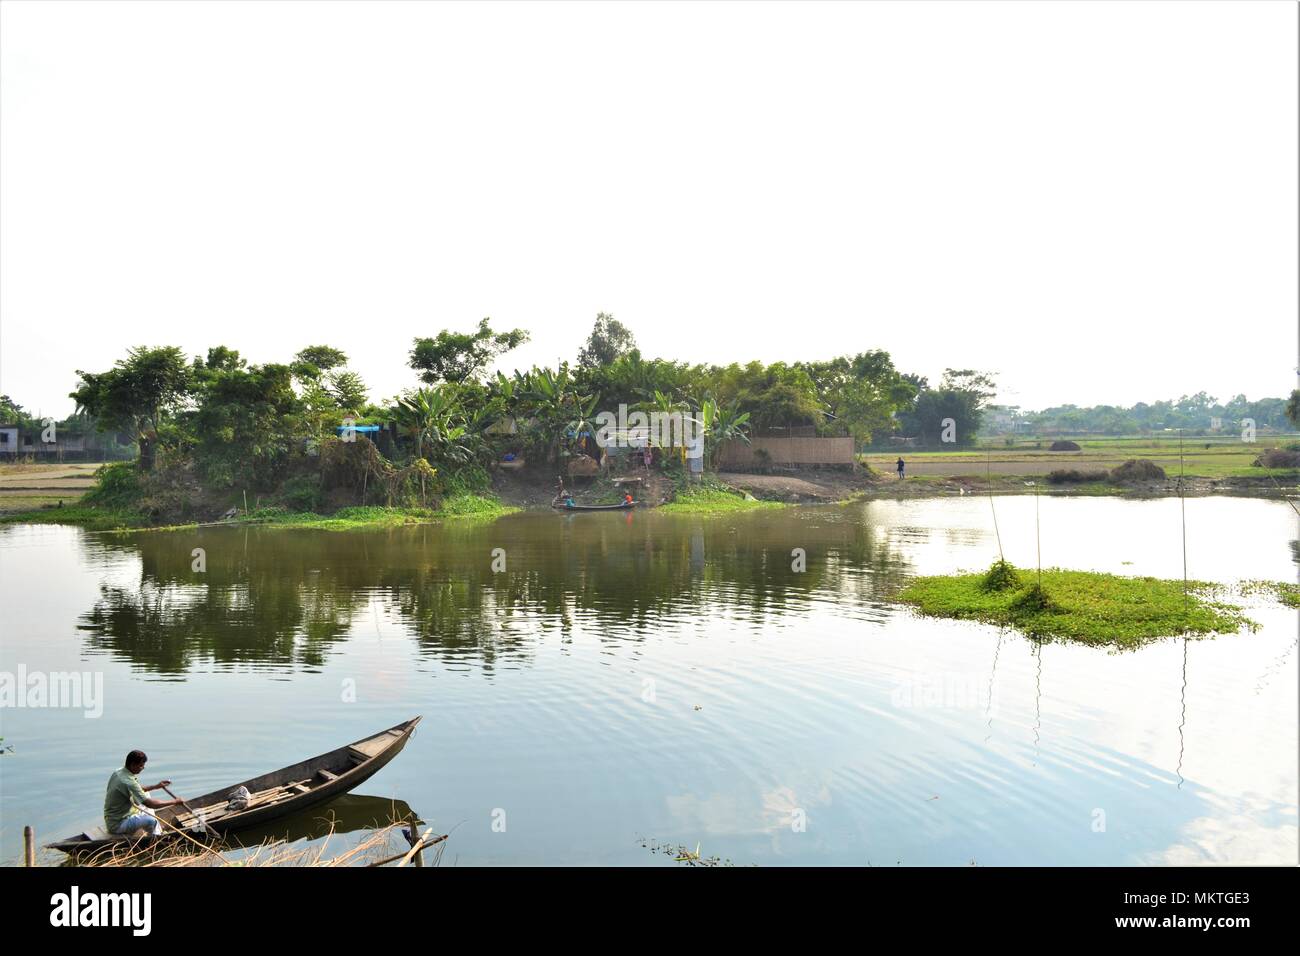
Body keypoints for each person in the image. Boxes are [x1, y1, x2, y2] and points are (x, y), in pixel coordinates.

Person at [104, 750, 184, 837]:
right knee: (151, 821)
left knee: (146, 794)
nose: (143, 768)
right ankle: (156, 838)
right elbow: (150, 804)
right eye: (141, 765)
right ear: (133, 764)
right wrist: (174, 802)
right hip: (117, 825)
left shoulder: (119, 772)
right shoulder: (128, 782)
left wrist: (156, 786)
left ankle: (156, 830)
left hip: (112, 818)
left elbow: (138, 789)